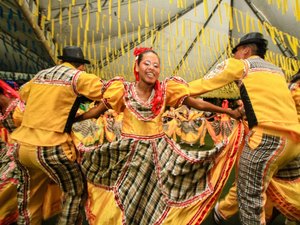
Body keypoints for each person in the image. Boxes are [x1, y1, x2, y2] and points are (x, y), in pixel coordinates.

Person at [78, 47, 243, 225]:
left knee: (155, 198)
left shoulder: (166, 90)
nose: (152, 68)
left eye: (156, 65)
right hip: (128, 157)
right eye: (147, 63)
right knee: (127, 198)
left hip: (158, 157)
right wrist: (74, 119)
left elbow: (198, 104)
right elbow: (95, 112)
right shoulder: (122, 90)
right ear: (137, 67)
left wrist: (229, 112)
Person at [189, 32, 300, 225]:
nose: (234, 56)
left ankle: (220, 215)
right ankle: (221, 213)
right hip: (295, 141)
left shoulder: (242, 64)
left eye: (236, 51)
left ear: (246, 50)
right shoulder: (278, 71)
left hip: (267, 140)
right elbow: (272, 103)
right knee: (291, 188)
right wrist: (243, 110)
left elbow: (205, 83)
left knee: (249, 196)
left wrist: (170, 89)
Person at [10, 46, 105, 224]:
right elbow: (109, 93)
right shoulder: (78, 77)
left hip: (22, 147)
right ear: (81, 66)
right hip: (50, 147)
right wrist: (90, 113)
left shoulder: (40, 75)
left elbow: (23, 93)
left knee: (29, 198)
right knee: (75, 191)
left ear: (62, 60)